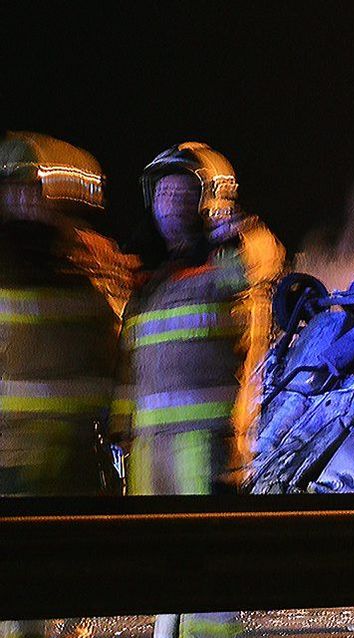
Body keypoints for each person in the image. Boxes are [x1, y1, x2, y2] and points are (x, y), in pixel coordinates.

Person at [112, 142, 283, 638]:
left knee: (207, 593)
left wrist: (238, 230)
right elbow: (131, 368)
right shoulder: (152, 286)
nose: (168, 206)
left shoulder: (227, 271)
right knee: (166, 589)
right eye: (161, 195)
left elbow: (260, 261)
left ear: (209, 199)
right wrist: (122, 431)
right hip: (152, 457)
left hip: (205, 453)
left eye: (182, 194)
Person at [0, 131, 125, 638]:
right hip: (11, 463)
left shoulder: (93, 266)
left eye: (36, 187)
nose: (26, 198)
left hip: (72, 460)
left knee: (67, 603)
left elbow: (120, 356)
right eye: (15, 188)